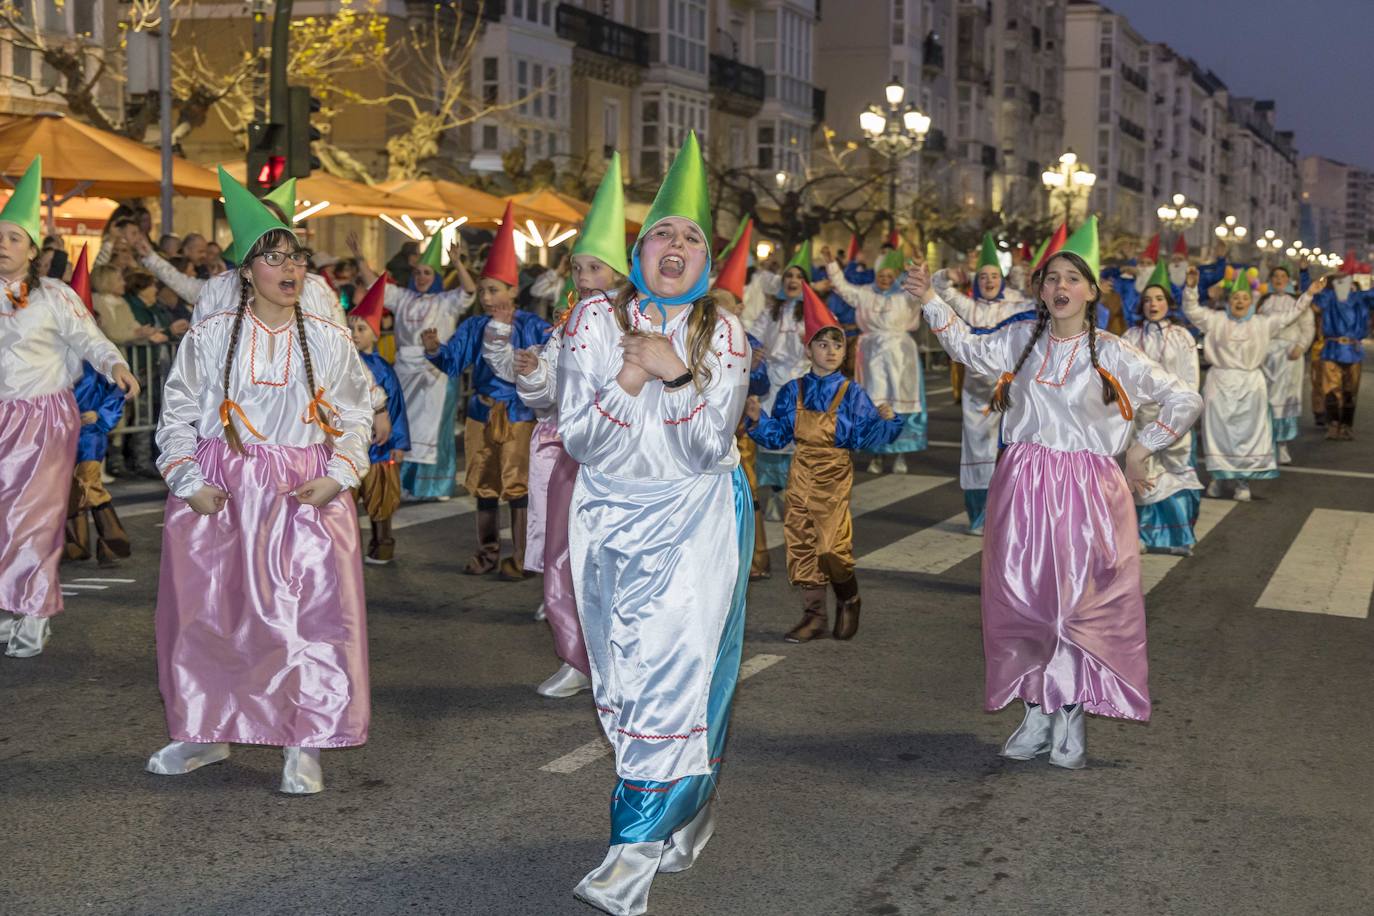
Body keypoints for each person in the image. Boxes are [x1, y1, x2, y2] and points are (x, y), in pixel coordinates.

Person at [904, 217, 1202, 769]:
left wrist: (1142, 449)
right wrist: (930, 298)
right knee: (1022, 601)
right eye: (1051, 278)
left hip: (1088, 491)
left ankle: (1070, 713)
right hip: (1022, 483)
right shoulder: (1021, 339)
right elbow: (969, 348)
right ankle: (1037, 707)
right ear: (1041, 290)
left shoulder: (1113, 352)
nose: (1060, 286)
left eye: (1072, 278)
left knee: (1077, 606)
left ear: (1092, 291)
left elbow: (1184, 399)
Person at [557, 133, 753, 915]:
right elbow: (580, 437)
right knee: (622, 690)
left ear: (706, 261)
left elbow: (710, 447)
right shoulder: (591, 324)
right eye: (663, 233)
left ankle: (630, 857)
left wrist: (674, 376)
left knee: (674, 682)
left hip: (695, 520)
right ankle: (688, 807)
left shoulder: (724, 334)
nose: (676, 245)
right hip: (605, 519)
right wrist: (631, 372)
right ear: (641, 250)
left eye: (692, 236)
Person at [146, 167, 373, 794]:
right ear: (246, 271)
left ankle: (305, 737)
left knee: (305, 618)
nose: (289, 268)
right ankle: (202, 725)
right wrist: (188, 478)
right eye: (273, 257)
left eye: (295, 256)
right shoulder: (212, 335)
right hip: (221, 488)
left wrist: (340, 474)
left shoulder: (326, 339)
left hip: (303, 490)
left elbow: (356, 413)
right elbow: (177, 414)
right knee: (209, 613)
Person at [0, 157, 138, 657]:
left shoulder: (55, 295)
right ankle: (11, 603)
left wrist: (116, 365)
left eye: (14, 237)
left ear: (33, 250)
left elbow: (90, 338)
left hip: (42, 420)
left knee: (33, 516)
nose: (3, 244)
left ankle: (35, 612)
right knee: (2, 519)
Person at [514, 153, 629, 697]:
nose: (584, 279)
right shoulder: (567, 325)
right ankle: (577, 659)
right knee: (564, 554)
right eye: (578, 269)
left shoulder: (638, 323)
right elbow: (546, 401)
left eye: (595, 270)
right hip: (569, 452)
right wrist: (535, 373)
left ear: (620, 275)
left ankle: (627, 659)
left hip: (622, 457)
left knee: (618, 560)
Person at [746, 283, 900, 642]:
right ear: (809, 348)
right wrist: (756, 420)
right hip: (801, 470)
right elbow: (779, 435)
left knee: (831, 546)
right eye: (823, 344)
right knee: (801, 543)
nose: (831, 351)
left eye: (837, 345)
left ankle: (850, 598)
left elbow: (864, 436)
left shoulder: (851, 392)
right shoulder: (792, 390)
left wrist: (886, 421)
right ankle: (813, 615)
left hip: (834, 472)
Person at [424, 202, 551, 578]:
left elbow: (552, 364)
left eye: (493, 290)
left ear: (512, 289)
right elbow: (453, 362)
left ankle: (523, 556)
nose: (485, 297)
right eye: (482, 290)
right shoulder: (475, 326)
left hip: (519, 416)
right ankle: (487, 552)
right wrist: (434, 350)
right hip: (480, 414)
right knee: (483, 486)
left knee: (518, 486)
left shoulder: (532, 325)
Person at [353, 231, 474, 501]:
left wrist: (458, 264)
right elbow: (376, 285)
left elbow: (468, 291)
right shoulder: (403, 298)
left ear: (436, 277)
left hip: (434, 375)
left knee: (435, 431)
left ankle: (435, 485)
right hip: (405, 373)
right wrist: (361, 260)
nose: (421, 278)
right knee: (406, 428)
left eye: (428, 273)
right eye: (418, 272)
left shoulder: (445, 301)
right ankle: (406, 484)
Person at [930, 236, 1036, 533]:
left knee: (1013, 448)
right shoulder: (968, 305)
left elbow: (1046, 302)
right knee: (978, 448)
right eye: (984, 277)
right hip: (977, 389)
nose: (989, 281)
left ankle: (1010, 515)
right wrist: (948, 274)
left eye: (994, 276)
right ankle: (979, 516)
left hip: (1011, 387)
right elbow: (937, 290)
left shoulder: (1017, 304)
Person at [1183, 268, 1307, 500]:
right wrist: (1190, 288)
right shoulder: (1215, 320)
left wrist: (1309, 293)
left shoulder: (1263, 323)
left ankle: (1243, 482)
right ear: (1229, 301)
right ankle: (1218, 478)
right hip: (1219, 381)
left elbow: (1293, 313)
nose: (1240, 301)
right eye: (1235, 297)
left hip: (1251, 383)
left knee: (1249, 433)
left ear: (1252, 302)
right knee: (1217, 432)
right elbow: (1191, 310)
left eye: (1244, 298)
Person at [1122, 262, 1203, 555]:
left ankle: (1179, 537)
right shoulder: (1130, 337)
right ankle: (1144, 535)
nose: (1152, 304)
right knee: (1143, 473)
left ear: (1168, 304)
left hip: (1173, 417)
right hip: (1141, 416)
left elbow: (1190, 379)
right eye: (1147, 300)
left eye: (1158, 299)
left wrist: (1184, 413)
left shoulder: (1183, 337)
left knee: (1177, 470)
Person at [825, 243, 926, 474]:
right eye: (882, 275)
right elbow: (841, 287)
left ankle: (901, 453)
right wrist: (832, 264)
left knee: (900, 403)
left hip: (901, 355)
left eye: (890, 275)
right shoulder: (865, 294)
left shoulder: (905, 296)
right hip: (871, 356)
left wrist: (919, 267)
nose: (886, 279)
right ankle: (877, 455)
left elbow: (922, 289)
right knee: (874, 403)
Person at [712, 218, 773, 580]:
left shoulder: (749, 343)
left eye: (726, 306)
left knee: (747, 495)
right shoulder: (698, 339)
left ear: (737, 308)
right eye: (713, 306)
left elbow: (760, 387)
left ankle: (756, 560)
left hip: (740, 434)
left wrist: (757, 368)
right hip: (708, 431)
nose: (720, 314)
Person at [63, 247, 132, 567]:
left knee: (89, 482)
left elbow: (116, 393)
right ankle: (77, 542)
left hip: (89, 433)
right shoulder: (55, 358)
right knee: (69, 487)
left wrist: (100, 416)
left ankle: (112, 538)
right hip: (60, 432)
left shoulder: (99, 358)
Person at [748, 243, 813, 516]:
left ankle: (796, 495)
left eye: (798, 277)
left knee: (798, 441)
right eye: (789, 276)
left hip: (800, 382)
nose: (793, 281)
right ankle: (776, 493)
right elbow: (752, 335)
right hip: (773, 384)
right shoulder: (771, 311)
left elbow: (829, 339)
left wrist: (811, 342)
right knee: (771, 440)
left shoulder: (812, 313)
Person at [349, 278, 410, 565]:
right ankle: (345, 549)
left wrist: (399, 443)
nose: (354, 334)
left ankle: (382, 545)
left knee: (380, 501)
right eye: (350, 328)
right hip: (350, 445)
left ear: (374, 334)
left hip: (379, 447)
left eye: (361, 329)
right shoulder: (343, 363)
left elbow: (395, 406)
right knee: (347, 500)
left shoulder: (384, 369)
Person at [1256, 263, 1315, 463]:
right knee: (1264, 400)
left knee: (1286, 400)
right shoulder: (1262, 302)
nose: (1279, 279)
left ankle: (1282, 444)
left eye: (1283, 276)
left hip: (1289, 357)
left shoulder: (1297, 303)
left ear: (1288, 280)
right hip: (1265, 357)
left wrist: (1301, 346)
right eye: (1275, 276)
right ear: (1271, 280)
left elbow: (1308, 327)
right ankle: (1264, 442)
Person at [1310, 259, 1373, 440]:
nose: (1342, 283)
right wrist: (1305, 273)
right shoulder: (1329, 298)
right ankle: (1333, 424)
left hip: (1353, 350)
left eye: (1345, 279)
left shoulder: (1360, 298)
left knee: (1350, 391)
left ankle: (1346, 425)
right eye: (1339, 280)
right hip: (1332, 349)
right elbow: (1312, 296)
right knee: (1330, 390)